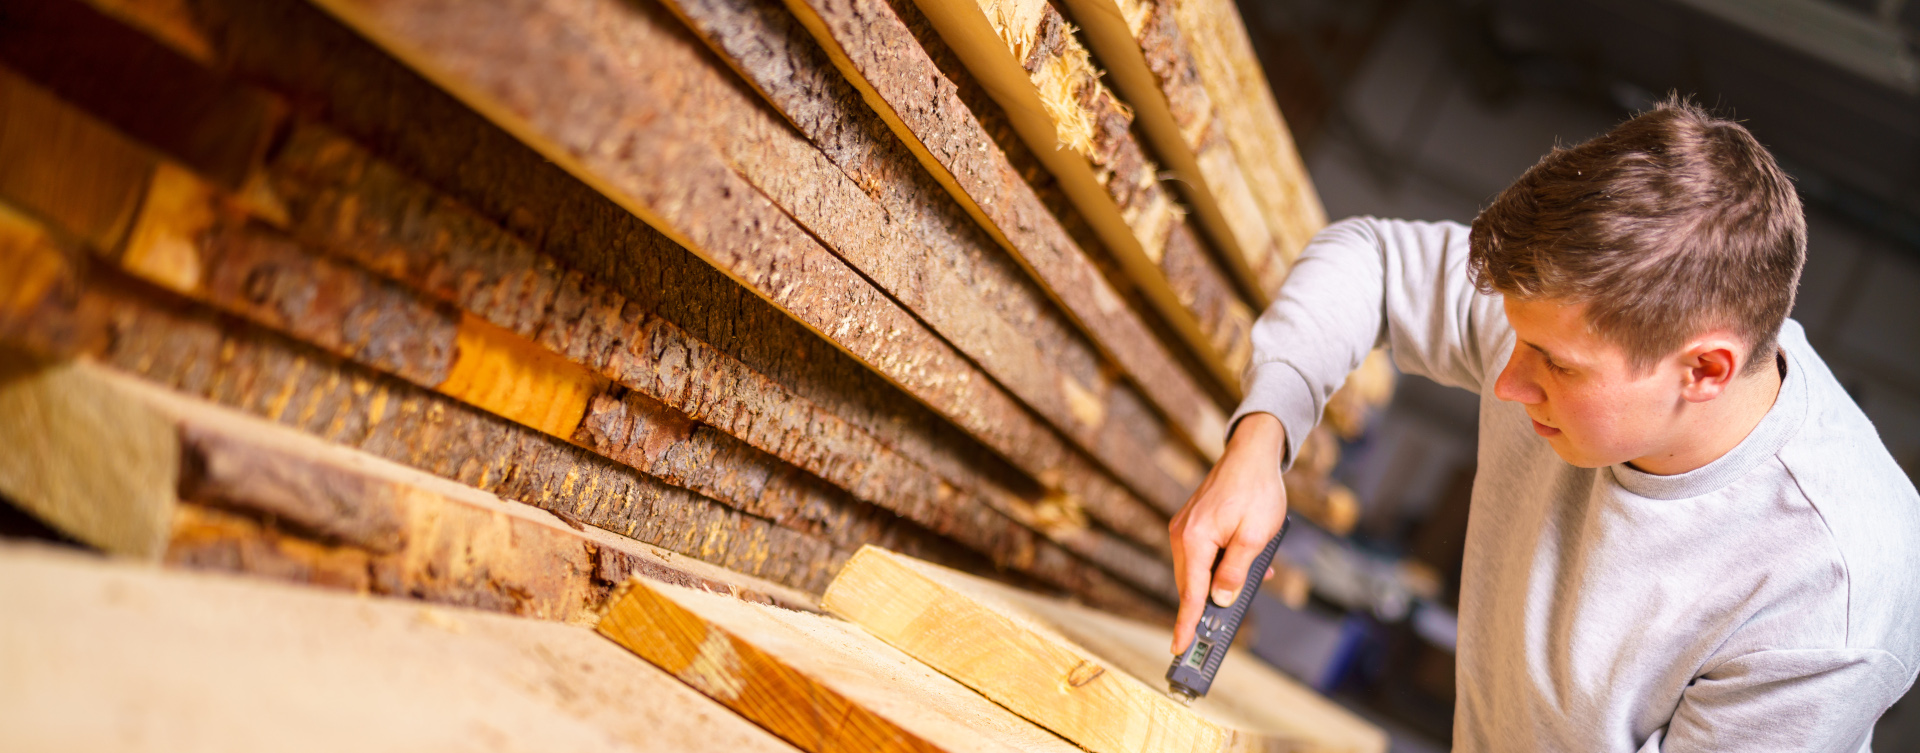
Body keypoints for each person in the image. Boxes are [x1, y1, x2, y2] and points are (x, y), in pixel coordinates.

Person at [1170, 97, 1920, 751]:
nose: (1504, 380)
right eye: (1515, 336)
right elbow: (1371, 259)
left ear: (1704, 371)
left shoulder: (1830, 597)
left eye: (1556, 364)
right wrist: (1261, 438)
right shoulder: (1576, 314)